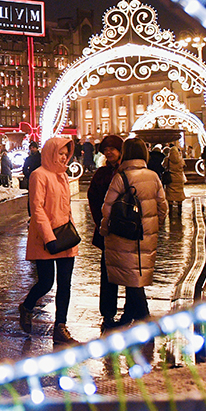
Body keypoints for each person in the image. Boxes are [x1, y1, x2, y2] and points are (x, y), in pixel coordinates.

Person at [100, 138, 168, 325]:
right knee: (136, 275)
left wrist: (104, 229)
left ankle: (144, 319)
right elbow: (163, 207)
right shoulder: (153, 176)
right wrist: (155, 226)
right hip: (146, 236)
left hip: (124, 235)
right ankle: (129, 315)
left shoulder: (121, 177)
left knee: (131, 278)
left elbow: (107, 208)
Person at [18, 136, 78, 345]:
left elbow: (65, 207)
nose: (63, 157)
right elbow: (37, 209)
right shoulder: (39, 175)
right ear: (51, 153)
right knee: (45, 282)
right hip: (45, 238)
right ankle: (27, 306)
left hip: (65, 237)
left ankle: (60, 327)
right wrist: (49, 237)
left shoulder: (63, 176)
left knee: (65, 284)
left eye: (65, 154)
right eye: (60, 153)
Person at [87, 134, 125, 329]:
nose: (109, 152)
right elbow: (93, 198)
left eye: (113, 148)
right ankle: (108, 313)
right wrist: (101, 222)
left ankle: (131, 310)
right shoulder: (101, 174)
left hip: (127, 231)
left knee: (130, 272)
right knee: (108, 273)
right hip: (108, 231)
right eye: (106, 149)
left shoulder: (127, 171)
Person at [166, 142, 186, 212]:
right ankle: (179, 211)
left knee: (170, 195)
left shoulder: (168, 159)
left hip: (171, 179)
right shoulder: (180, 160)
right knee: (179, 195)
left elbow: (163, 165)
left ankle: (171, 211)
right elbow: (184, 165)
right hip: (179, 178)